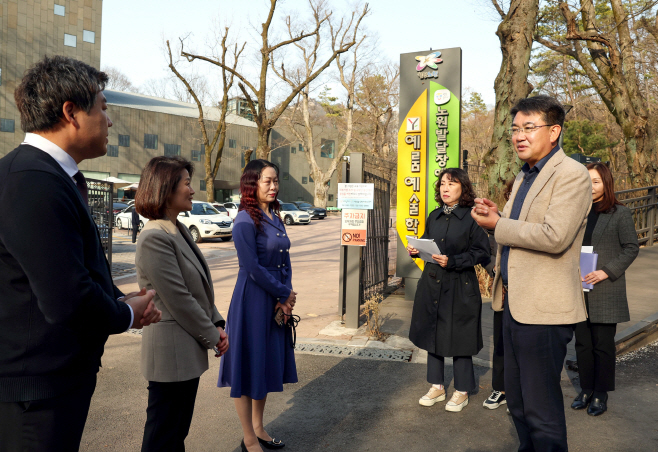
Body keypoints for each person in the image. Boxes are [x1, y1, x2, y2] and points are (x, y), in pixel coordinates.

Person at [0, 56, 161, 451]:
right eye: (103, 108)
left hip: (44, 384)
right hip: (34, 394)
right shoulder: (33, 181)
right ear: (71, 112)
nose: (109, 120)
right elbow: (65, 298)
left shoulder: (44, 176)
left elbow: (64, 269)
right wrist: (127, 314)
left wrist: (119, 299)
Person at [472, 95, 591, 452]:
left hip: (544, 310)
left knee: (541, 408)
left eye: (529, 128)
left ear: (554, 131)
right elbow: (519, 227)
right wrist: (499, 217)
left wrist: (498, 226)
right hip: (512, 304)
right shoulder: (526, 174)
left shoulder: (572, 174)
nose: (519, 136)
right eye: (515, 129)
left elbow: (555, 237)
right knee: (520, 403)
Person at [134, 156, 229, 451]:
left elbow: (198, 289)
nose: (192, 190)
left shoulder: (178, 230)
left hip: (184, 350)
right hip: (169, 353)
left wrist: (217, 322)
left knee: (175, 434)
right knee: (163, 436)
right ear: (166, 189)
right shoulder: (154, 236)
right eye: (186, 184)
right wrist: (214, 336)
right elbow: (179, 299)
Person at [218, 159, 298, 452]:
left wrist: (285, 294)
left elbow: (284, 259)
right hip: (252, 301)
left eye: (276, 181)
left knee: (264, 365)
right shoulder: (244, 220)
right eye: (268, 181)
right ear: (252, 184)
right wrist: (282, 292)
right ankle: (248, 438)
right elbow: (251, 266)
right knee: (247, 364)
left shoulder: (275, 217)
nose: (274, 186)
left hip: (276, 299)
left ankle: (259, 428)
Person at [407, 168, 490, 413]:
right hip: (432, 282)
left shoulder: (472, 217)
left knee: (459, 335)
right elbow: (426, 241)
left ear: (463, 188)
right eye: (442, 183)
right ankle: (437, 385)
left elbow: (482, 252)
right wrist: (416, 250)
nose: (445, 188)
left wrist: (452, 261)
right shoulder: (434, 216)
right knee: (433, 332)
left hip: (460, 284)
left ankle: (462, 390)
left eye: (451, 184)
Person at [571, 162, 639, 416]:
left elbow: (631, 247)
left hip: (604, 286)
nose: (590, 186)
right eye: (586, 180)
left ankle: (600, 393)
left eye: (596, 181)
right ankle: (586, 388)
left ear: (606, 183)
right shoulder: (578, 211)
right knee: (582, 344)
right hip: (578, 286)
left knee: (603, 345)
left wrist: (606, 271)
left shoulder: (619, 213)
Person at [483, 178, 515, 411]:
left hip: (529, 293)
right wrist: (491, 268)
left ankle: (521, 388)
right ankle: (500, 388)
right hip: (503, 293)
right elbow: (485, 252)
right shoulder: (497, 221)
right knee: (501, 342)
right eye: (512, 192)